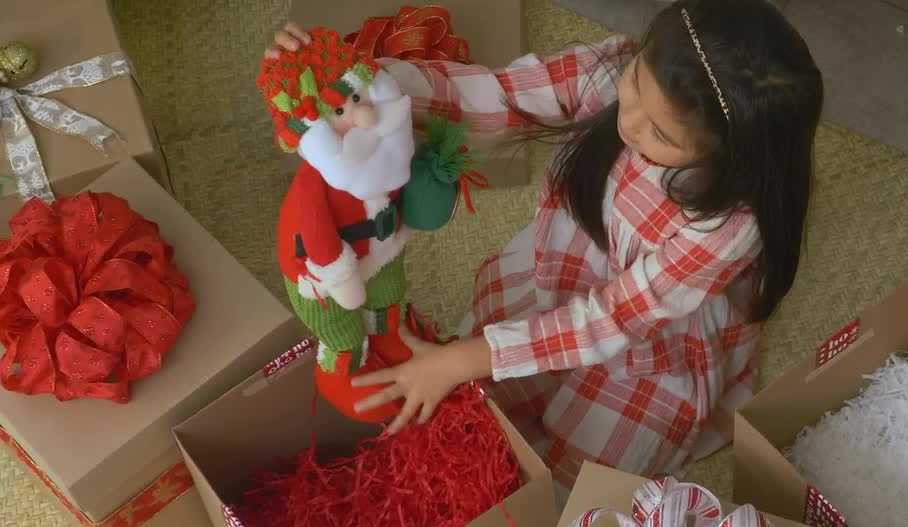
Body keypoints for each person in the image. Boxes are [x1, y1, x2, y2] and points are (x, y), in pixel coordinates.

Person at [266, 0, 823, 495]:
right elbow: (494, 96)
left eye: (661, 135)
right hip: (553, 277)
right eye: (634, 85)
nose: (628, 122)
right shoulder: (610, 70)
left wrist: (460, 360)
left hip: (638, 348)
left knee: (563, 485)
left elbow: (608, 321)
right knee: (476, 414)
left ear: (731, 154)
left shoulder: (730, 222)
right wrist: (356, 89)